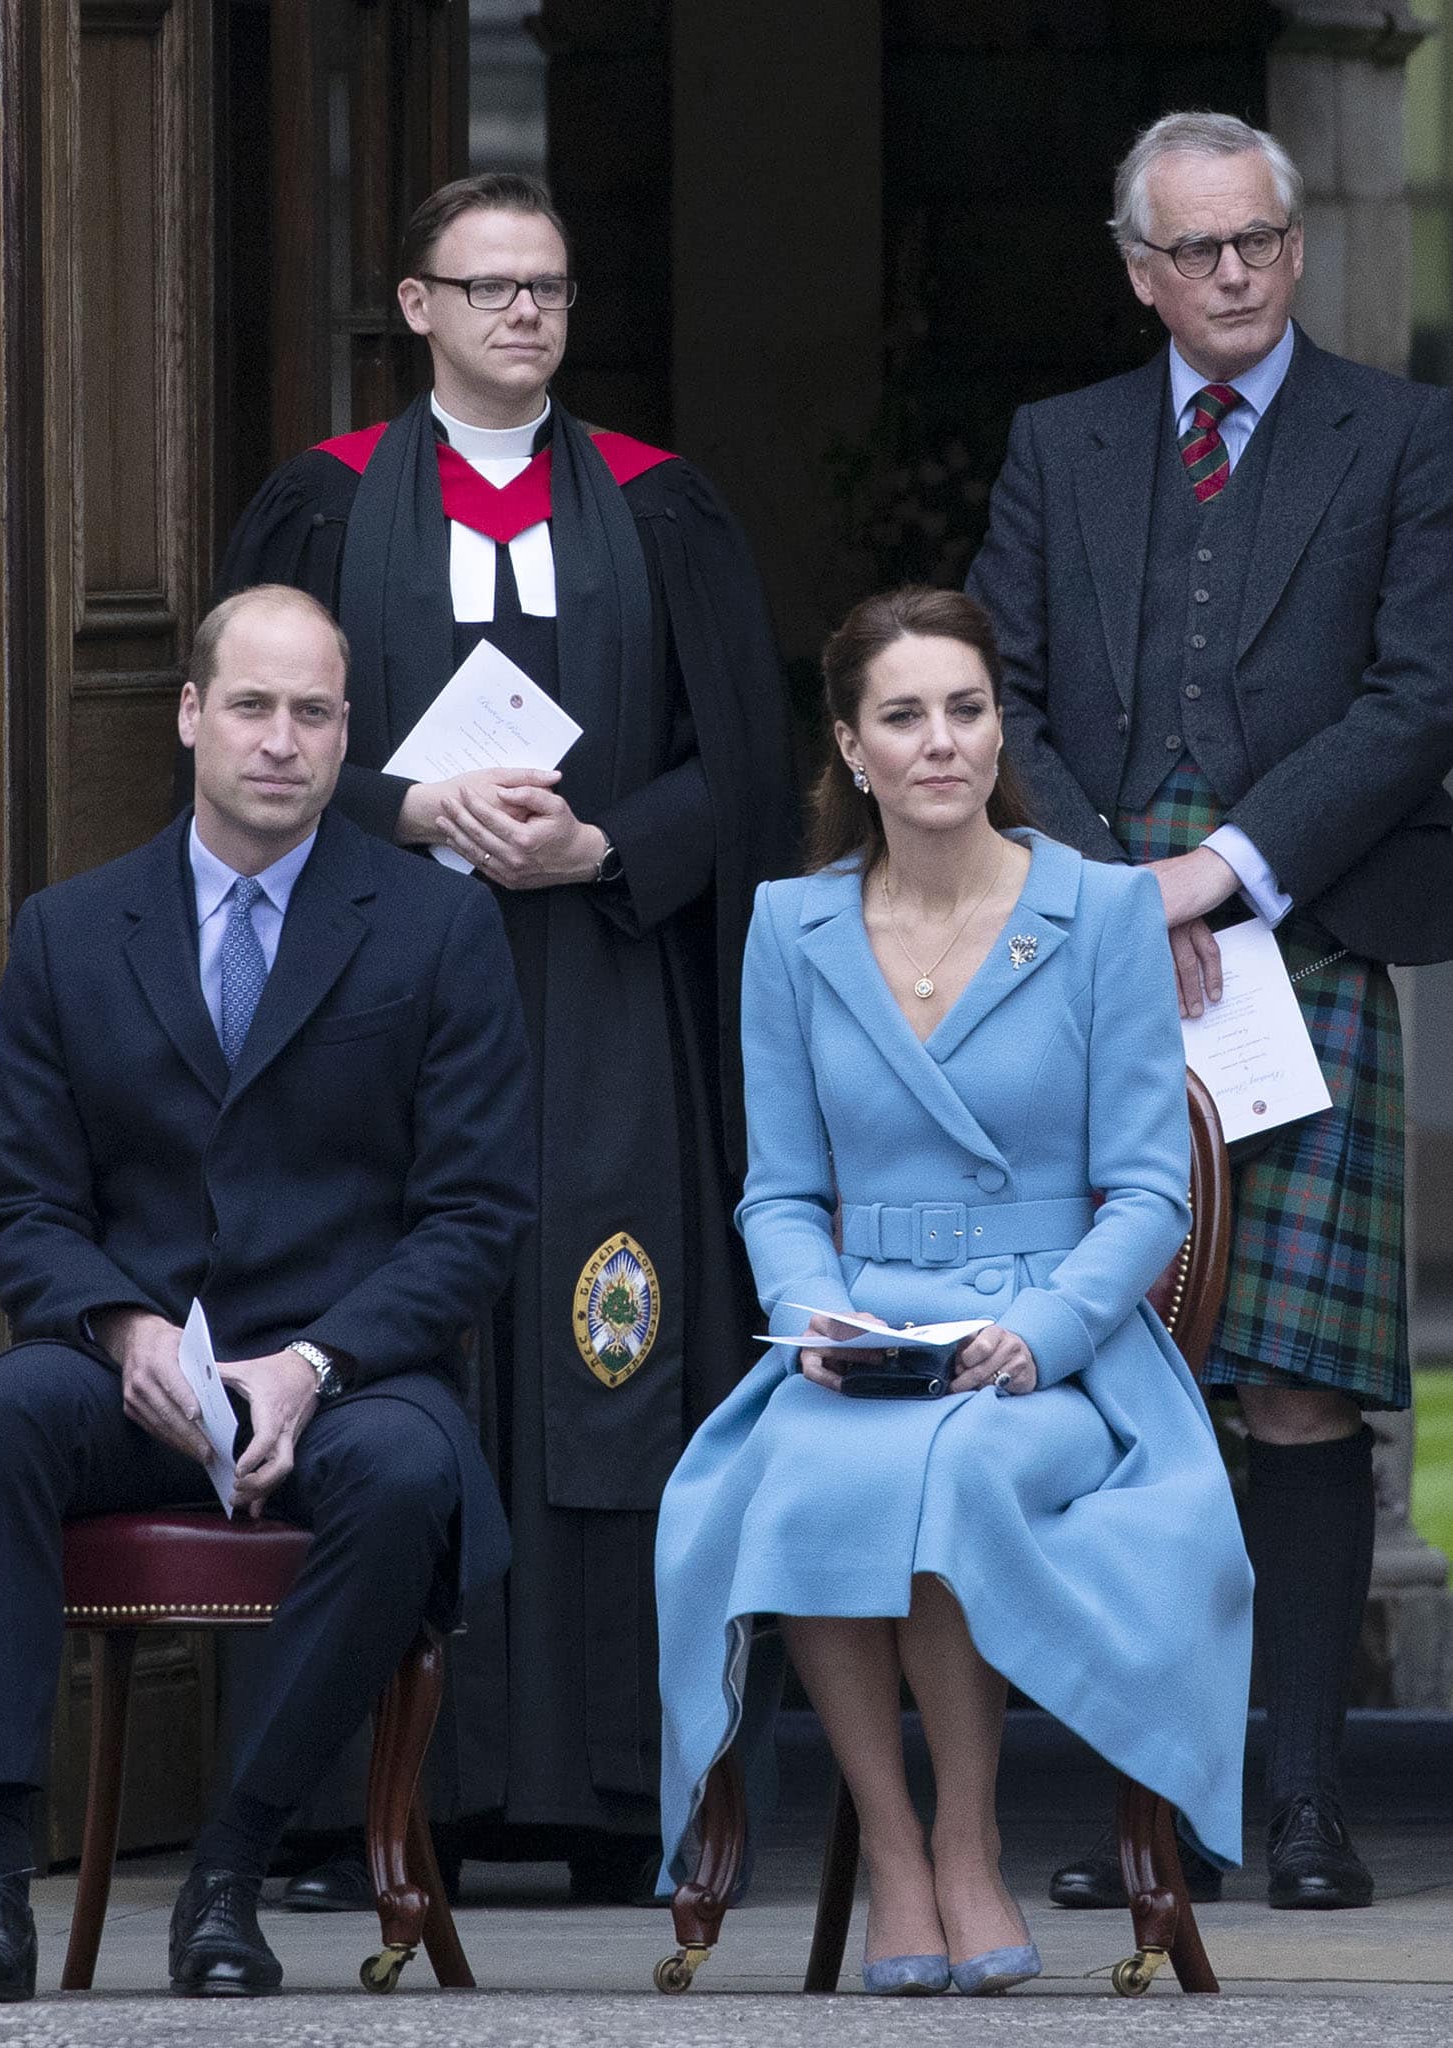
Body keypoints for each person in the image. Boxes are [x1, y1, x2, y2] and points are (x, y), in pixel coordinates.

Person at [219, 171, 797, 1902]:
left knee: (608, 1336)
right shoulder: (318, 510)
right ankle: (343, 1804)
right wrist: (407, 806)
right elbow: (255, 740)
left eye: (546, 287)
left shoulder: (660, 505)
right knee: (387, 1335)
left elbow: (752, 768)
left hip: (603, 987)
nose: (523, 315)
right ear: (417, 309)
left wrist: (602, 845)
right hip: (371, 991)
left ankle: (617, 1791)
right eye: (487, 289)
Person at [0, 585, 534, 2001]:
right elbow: (22, 1207)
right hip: (133, 1375)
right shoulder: (70, 931)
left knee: (413, 1477)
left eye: (314, 713)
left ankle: (230, 1875)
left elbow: (477, 1217)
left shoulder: (435, 931)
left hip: (343, 1374)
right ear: (191, 716)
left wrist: (315, 1363)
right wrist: (120, 1331)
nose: (282, 742)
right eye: (251, 706)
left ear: (348, 731)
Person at [967, 110, 1453, 1911]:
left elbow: (1421, 698)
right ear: (1139, 269)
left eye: (1262, 241)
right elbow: (996, 682)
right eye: (1201, 251)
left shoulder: (1403, 436)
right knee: (1122, 1366)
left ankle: (1308, 1806)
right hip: (1095, 936)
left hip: (1301, 931)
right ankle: (1153, 1812)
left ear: (1297, 246)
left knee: (1301, 1390)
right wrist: (1113, 887)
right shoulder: (1061, 443)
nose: (1238, 274)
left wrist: (1223, 873)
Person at [654, 586, 1253, 1994]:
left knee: (957, 1471)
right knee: (804, 1472)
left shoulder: (1101, 910)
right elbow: (782, 1190)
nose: (942, 743)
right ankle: (897, 1853)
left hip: (1064, 1346)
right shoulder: (787, 929)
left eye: (967, 710)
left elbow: (1151, 1192)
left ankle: (969, 1840)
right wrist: (818, 1320)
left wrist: (1038, 1337)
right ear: (853, 751)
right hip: (865, 1327)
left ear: (999, 730)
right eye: (905, 717)